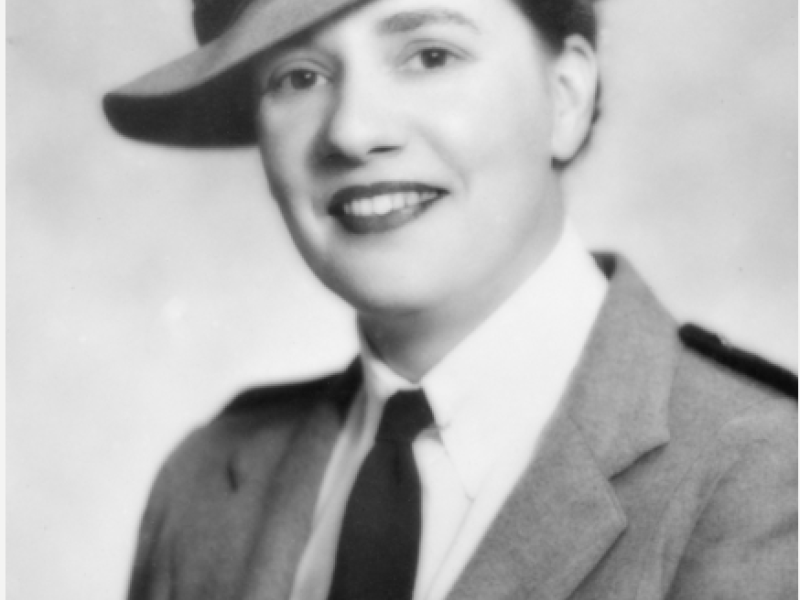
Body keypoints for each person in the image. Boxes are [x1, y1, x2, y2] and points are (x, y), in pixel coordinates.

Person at [103, 0, 798, 598]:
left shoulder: (767, 474)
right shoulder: (202, 484)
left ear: (565, 97)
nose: (352, 130)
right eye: (299, 76)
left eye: (430, 55)